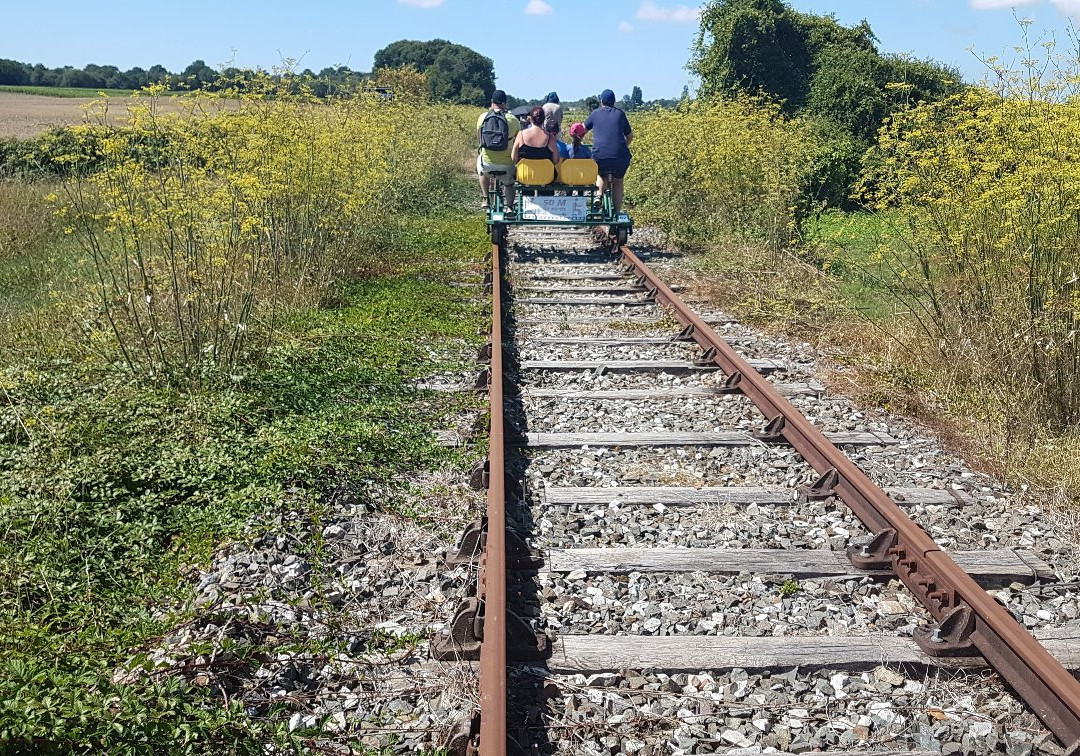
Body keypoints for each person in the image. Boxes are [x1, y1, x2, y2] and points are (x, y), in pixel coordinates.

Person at [584, 89, 633, 213]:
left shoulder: (595, 114)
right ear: (614, 102)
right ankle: (616, 212)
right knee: (617, 181)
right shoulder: (620, 114)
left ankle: (598, 196)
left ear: (601, 101)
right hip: (620, 156)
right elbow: (630, 135)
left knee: (601, 173)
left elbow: (583, 130)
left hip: (600, 155)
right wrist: (624, 146)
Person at [476, 89, 520, 212]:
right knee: (509, 183)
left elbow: (479, 139)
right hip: (507, 165)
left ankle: (485, 198)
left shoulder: (483, 117)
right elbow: (518, 141)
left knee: (481, 167)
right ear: (505, 103)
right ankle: (510, 206)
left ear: (492, 102)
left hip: (488, 164)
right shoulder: (513, 120)